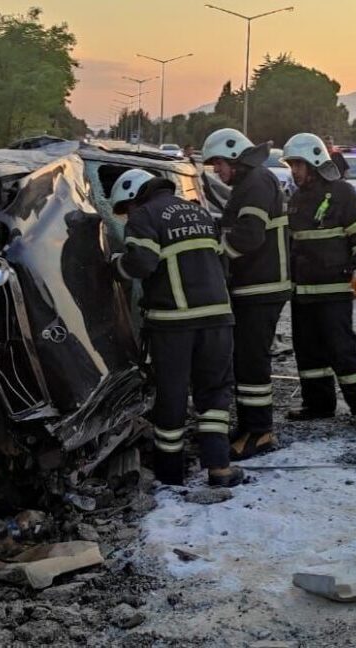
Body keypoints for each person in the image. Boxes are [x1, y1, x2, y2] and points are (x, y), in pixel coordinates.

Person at [108, 169, 244, 487]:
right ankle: (219, 468)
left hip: (174, 323)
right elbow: (223, 263)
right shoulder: (198, 211)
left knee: (172, 394)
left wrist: (114, 264)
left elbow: (141, 263)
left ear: (133, 198)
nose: (127, 219)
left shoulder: (145, 215)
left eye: (125, 212)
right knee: (214, 393)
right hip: (219, 318)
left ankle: (170, 473)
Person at [201, 128, 292, 459]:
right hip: (255, 286)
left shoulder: (255, 183)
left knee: (252, 362)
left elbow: (249, 236)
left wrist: (214, 256)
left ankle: (260, 432)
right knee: (245, 359)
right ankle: (251, 426)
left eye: (219, 164)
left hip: (262, 286)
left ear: (235, 159)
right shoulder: (249, 183)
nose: (217, 172)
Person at [281, 132, 356, 432]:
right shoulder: (296, 199)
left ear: (314, 162)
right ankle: (318, 405)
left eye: (298, 164)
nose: (294, 171)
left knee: (342, 349)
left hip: (334, 292)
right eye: (291, 165)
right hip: (303, 295)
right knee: (308, 352)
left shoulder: (342, 193)